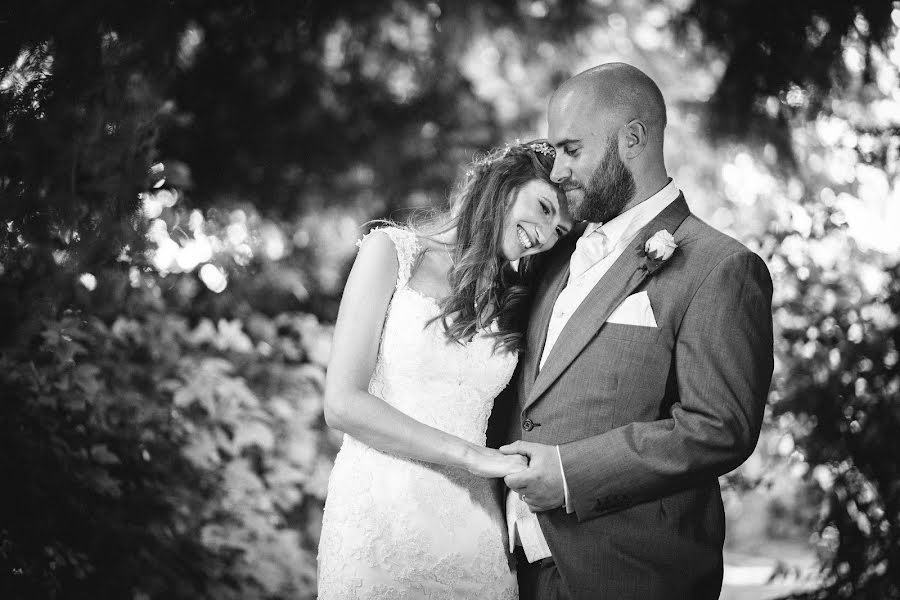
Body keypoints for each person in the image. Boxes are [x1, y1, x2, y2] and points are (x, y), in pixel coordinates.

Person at [494, 63, 774, 599]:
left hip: (631, 575)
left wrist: (572, 472)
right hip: (512, 572)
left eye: (572, 150)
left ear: (633, 138)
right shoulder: (552, 254)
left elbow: (719, 428)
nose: (556, 173)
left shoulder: (720, 267)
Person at [317, 140, 575, 599]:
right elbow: (342, 404)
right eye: (544, 206)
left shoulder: (518, 299)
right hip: (379, 517)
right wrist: (473, 457)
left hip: (473, 527)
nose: (547, 232)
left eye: (559, 228)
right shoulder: (390, 252)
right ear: (506, 180)